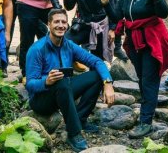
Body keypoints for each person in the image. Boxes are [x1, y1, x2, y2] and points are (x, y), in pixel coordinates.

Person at [26, 8, 115, 152]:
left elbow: (97, 62)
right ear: (49, 24)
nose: (60, 25)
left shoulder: (68, 45)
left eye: (63, 22)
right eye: (56, 22)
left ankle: (80, 119)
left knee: (97, 75)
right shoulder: (37, 49)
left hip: (64, 91)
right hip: (42, 100)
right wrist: (46, 81)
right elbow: (30, 84)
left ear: (67, 25)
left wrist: (108, 83)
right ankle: (74, 133)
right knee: (60, 81)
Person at [113, 0, 168, 138]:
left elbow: (164, 13)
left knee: (149, 78)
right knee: (142, 77)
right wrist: (105, 4)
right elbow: (118, 16)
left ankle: (145, 122)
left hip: (152, 40)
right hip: (134, 42)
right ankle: (146, 108)